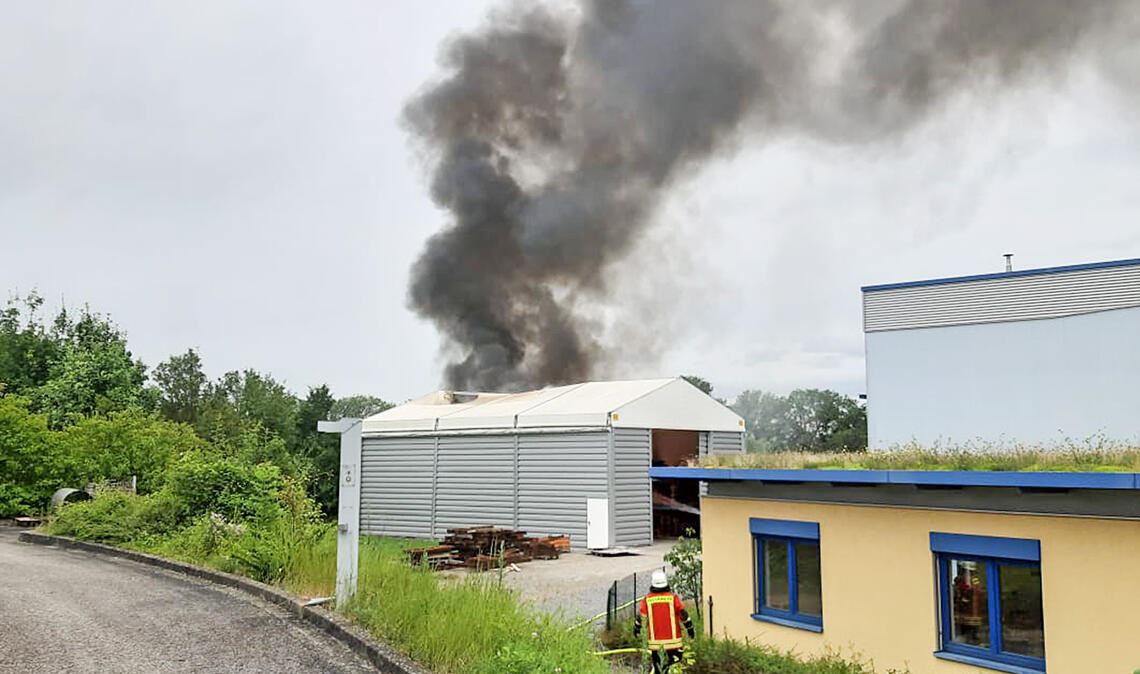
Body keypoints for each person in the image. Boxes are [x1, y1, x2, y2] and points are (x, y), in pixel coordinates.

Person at [634, 570, 695, 673]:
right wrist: (690, 629)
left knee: (660, 670)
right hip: (674, 644)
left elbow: (641, 617)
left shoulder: (647, 600)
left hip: (656, 646)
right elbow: (683, 614)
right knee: (675, 669)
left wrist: (636, 628)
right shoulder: (673, 598)